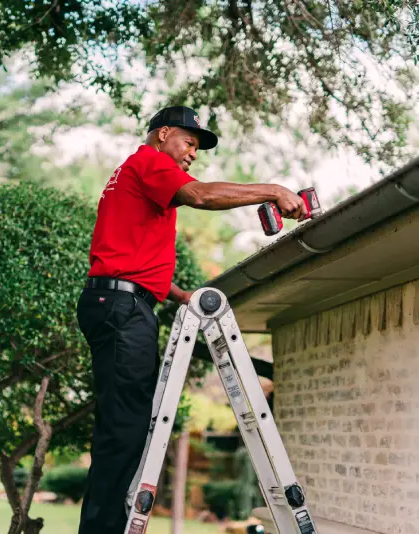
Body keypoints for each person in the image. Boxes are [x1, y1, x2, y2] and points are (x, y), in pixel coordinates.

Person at [75, 105, 306, 534]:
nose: (192, 154)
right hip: (123, 307)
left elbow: (131, 258)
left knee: (120, 425)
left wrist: (183, 296)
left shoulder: (135, 173)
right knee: (125, 428)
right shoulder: (148, 161)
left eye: (196, 148)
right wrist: (273, 190)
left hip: (118, 301)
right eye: (189, 142)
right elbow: (200, 195)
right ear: (163, 134)